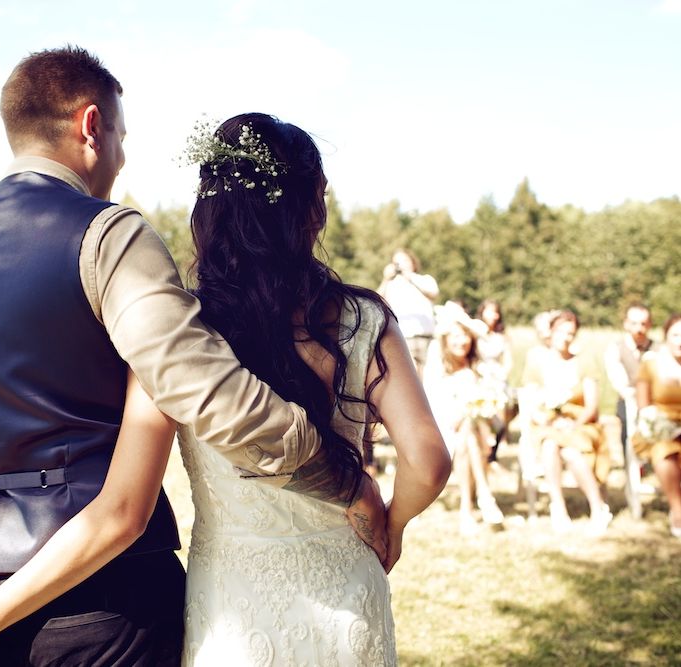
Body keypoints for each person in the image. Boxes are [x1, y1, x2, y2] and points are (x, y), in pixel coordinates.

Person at [0, 48, 384, 665]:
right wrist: (341, 477)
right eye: (121, 137)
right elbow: (208, 392)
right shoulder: (108, 236)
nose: (121, 159)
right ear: (91, 125)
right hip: (103, 601)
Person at [175, 113, 451, 665]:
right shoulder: (363, 319)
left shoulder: (183, 333)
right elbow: (429, 460)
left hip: (233, 601)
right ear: (313, 208)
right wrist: (388, 523)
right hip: (347, 587)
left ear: (211, 213)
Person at [520, 310, 613, 534]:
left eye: (571, 333)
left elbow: (591, 406)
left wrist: (573, 423)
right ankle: (558, 506)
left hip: (580, 425)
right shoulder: (537, 362)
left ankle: (598, 506)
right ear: (550, 333)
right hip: (549, 425)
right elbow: (531, 400)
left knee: (571, 452)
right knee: (551, 444)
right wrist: (542, 417)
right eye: (561, 332)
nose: (566, 337)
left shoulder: (584, 362)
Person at [425, 302, 504, 535]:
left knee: (468, 435)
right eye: (456, 336)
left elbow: (491, 401)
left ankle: (467, 510)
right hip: (444, 428)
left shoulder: (478, 366)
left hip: (479, 429)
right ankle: (484, 495)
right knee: (465, 436)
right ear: (446, 339)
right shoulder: (439, 367)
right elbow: (432, 403)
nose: (463, 341)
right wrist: (458, 417)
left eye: (466, 336)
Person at [633, 313, 681, 538]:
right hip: (659, 428)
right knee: (664, 452)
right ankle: (677, 510)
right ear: (666, 337)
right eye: (676, 335)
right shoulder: (652, 364)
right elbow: (644, 406)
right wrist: (661, 425)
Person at [604, 303, 657, 463]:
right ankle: (631, 465)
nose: (639, 328)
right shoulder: (616, 348)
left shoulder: (659, 349)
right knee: (626, 424)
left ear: (649, 324)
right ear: (626, 324)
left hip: (654, 400)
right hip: (628, 399)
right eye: (634, 323)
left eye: (643, 323)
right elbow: (617, 379)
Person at [378, 249, 439, 381]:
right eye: (396, 262)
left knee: (430, 378)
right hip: (404, 337)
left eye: (404, 260)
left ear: (412, 262)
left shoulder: (424, 279)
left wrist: (409, 276)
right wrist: (386, 279)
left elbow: (433, 292)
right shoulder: (391, 285)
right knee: (411, 379)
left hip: (427, 337)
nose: (401, 265)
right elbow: (376, 302)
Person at [475, 299, 514, 460]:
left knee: (503, 402)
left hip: (497, 373)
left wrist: (503, 374)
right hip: (480, 373)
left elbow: (508, 360)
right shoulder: (476, 333)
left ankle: (501, 436)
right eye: (490, 311)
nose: (493, 315)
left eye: (496, 312)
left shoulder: (502, 336)